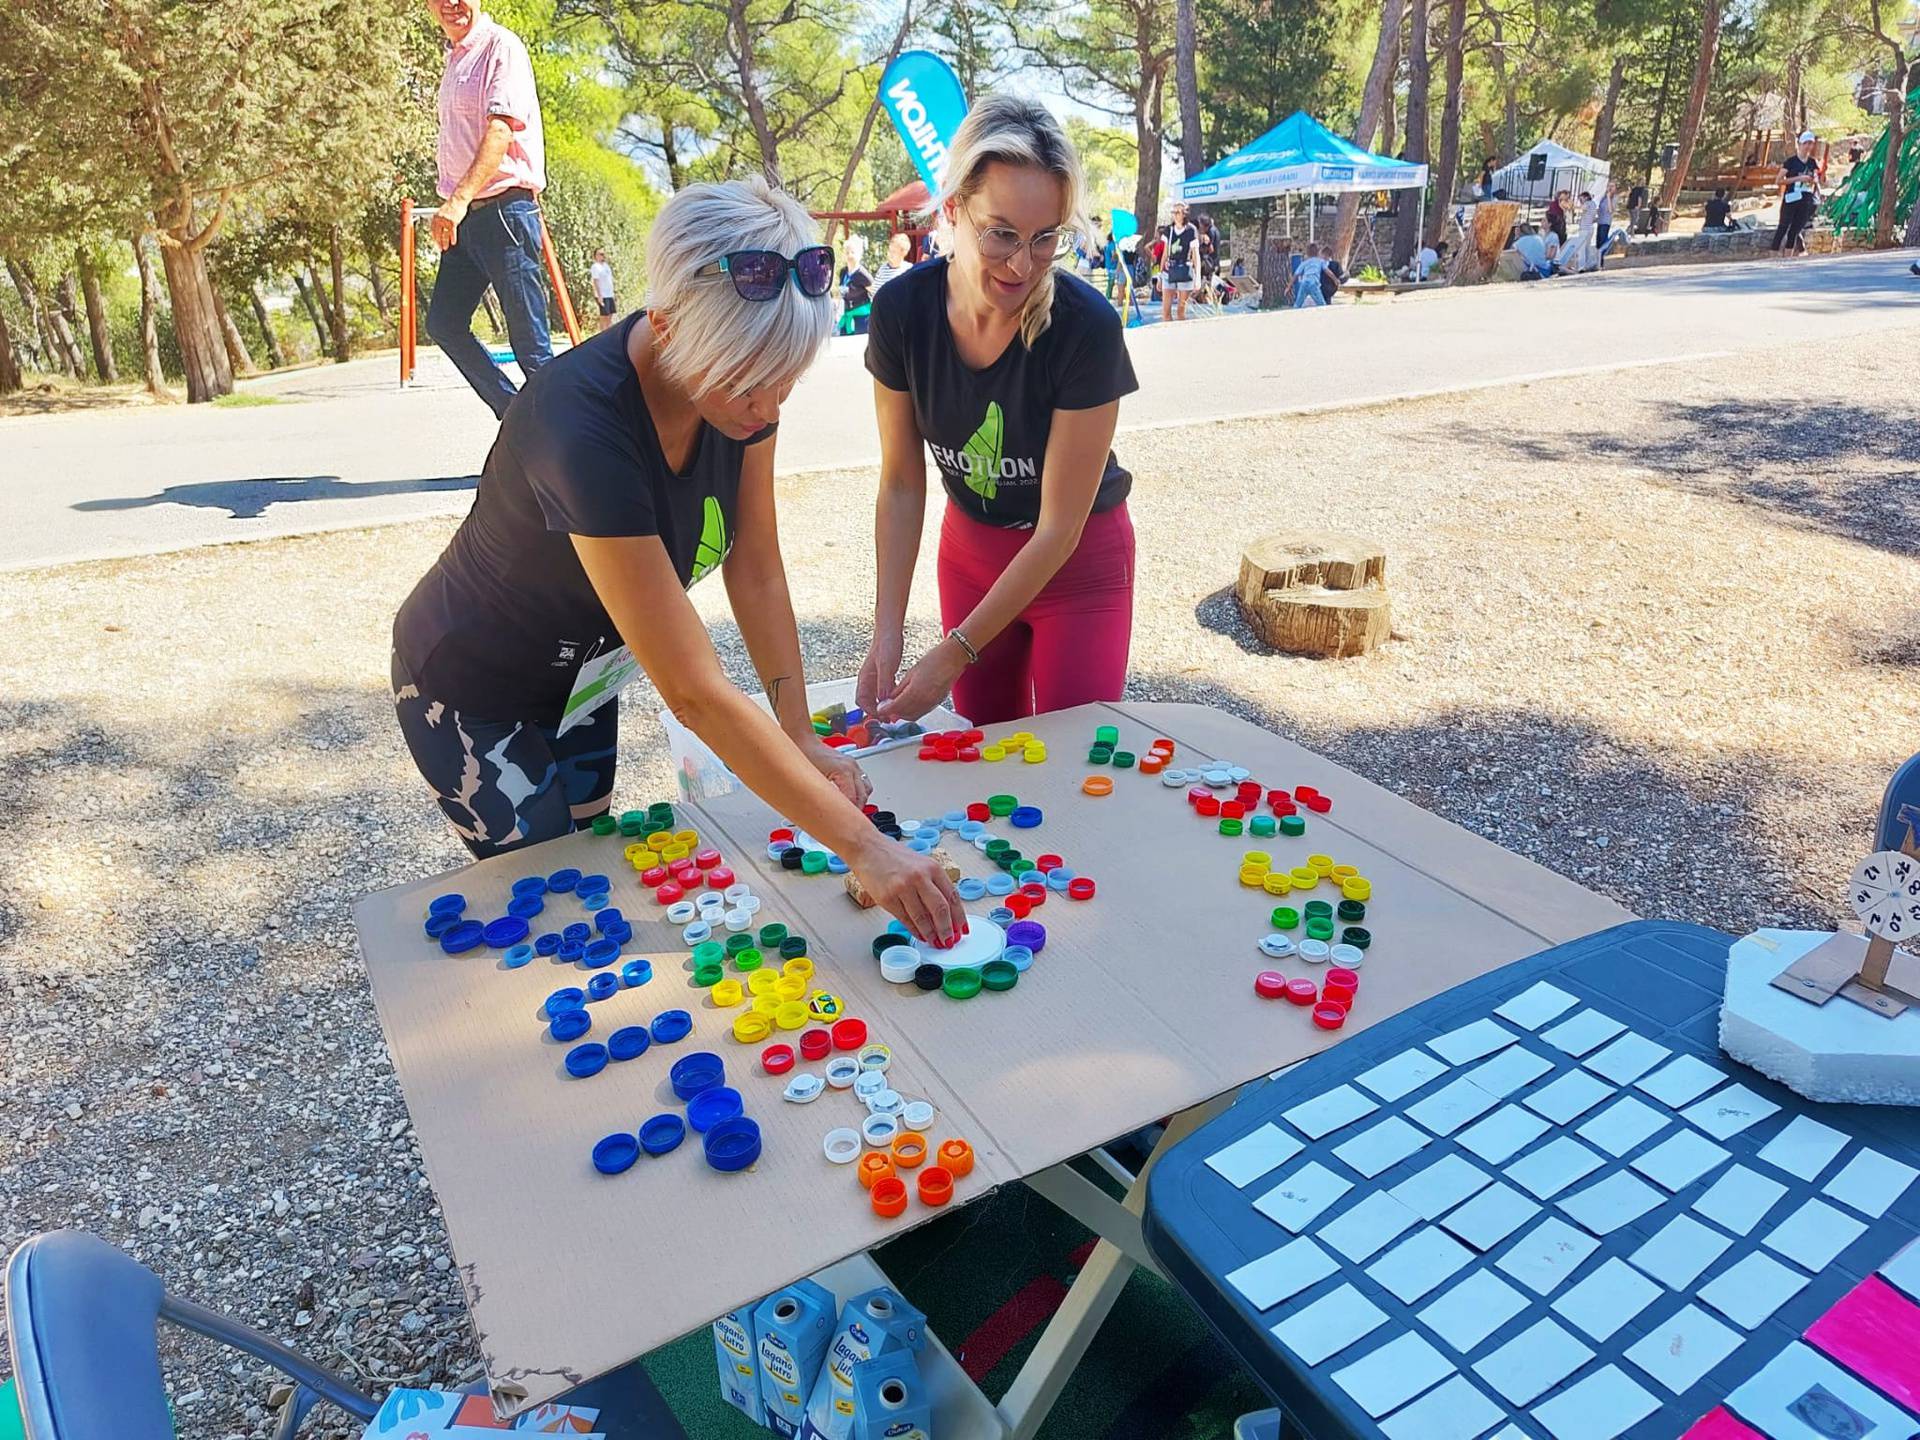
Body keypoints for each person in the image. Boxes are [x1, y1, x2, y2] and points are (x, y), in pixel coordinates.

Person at [390, 177, 965, 944]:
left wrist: (796, 731)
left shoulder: (740, 390)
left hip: (586, 678)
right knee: (555, 902)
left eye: (784, 384)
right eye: (749, 387)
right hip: (470, 686)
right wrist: (865, 848)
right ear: (667, 328)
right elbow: (694, 692)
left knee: (590, 860)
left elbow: (755, 565)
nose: (768, 413)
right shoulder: (577, 427)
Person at [856, 93, 1139, 728]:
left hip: (1078, 566)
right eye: (1001, 234)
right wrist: (888, 631)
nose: (1021, 265)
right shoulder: (901, 313)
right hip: (972, 558)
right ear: (953, 208)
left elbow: (1058, 531)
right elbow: (902, 482)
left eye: (1045, 241)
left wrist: (954, 652)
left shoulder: (1084, 327)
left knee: (1074, 768)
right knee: (982, 763)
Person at [424, 0, 552, 419]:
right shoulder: (455, 58)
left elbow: (499, 130)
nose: (451, 3)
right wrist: (458, 203)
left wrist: (456, 201)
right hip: (468, 220)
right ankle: (515, 416)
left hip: (505, 214)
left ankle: (574, 457)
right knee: (444, 322)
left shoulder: (502, 47)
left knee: (532, 350)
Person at [1772, 131, 1821, 256]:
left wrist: (1813, 180)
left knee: (1795, 229)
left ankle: (1789, 256)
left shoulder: (1812, 162)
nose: (1808, 147)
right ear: (1800, 144)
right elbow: (1779, 181)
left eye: (1811, 144)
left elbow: (1816, 177)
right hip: (1791, 197)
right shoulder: (1791, 162)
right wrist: (1798, 179)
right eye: (1806, 143)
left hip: (1806, 197)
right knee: (1783, 227)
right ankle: (1773, 255)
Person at [1159, 201, 1201, 321]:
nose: (1175, 215)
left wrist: (1197, 277)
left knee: (1181, 312)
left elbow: (1195, 255)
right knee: (1165, 311)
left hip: (1185, 270)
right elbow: (1165, 254)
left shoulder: (1191, 230)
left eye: (1178, 212)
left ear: (1184, 214)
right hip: (1169, 269)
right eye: (1174, 212)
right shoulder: (1169, 230)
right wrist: (1160, 275)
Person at [840, 234, 875, 334]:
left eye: (853, 252)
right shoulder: (843, 272)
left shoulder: (863, 274)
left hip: (862, 318)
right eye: (847, 253)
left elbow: (875, 292)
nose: (850, 255)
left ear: (859, 254)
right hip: (847, 315)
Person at [589, 248, 615, 332]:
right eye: (600, 254)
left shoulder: (606, 266)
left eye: (603, 254)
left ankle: (609, 332)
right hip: (602, 295)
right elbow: (595, 281)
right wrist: (599, 295)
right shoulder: (595, 267)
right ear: (596, 256)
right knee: (604, 316)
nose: (603, 256)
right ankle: (603, 333)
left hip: (609, 294)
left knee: (610, 315)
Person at [1594, 180, 1618, 266]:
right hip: (1600, 221)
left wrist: (1608, 197)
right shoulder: (1603, 198)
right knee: (1598, 242)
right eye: (1609, 186)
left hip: (1606, 222)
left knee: (1602, 242)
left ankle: (1601, 263)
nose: (1610, 188)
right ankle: (1597, 262)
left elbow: (1611, 210)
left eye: (1612, 186)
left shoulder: (1614, 198)